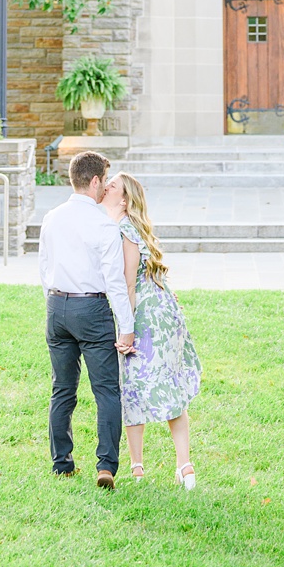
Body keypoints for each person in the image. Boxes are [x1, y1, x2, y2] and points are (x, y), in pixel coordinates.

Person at [36, 149, 135, 489]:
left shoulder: (51, 217)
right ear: (94, 181)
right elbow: (115, 282)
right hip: (91, 310)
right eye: (104, 181)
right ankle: (105, 466)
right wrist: (127, 327)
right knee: (106, 390)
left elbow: (43, 268)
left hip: (56, 306)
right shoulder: (102, 224)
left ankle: (62, 464)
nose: (105, 187)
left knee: (61, 389)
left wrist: (53, 303)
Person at [106, 172, 203, 490]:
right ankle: (184, 467)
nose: (106, 187)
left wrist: (127, 329)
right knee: (170, 387)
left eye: (113, 186)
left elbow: (129, 281)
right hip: (165, 310)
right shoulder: (134, 227)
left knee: (134, 386)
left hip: (148, 316)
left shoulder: (123, 228)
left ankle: (137, 469)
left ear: (124, 199)